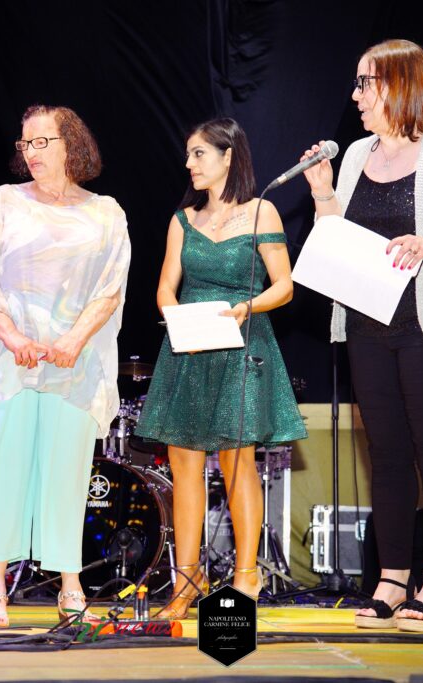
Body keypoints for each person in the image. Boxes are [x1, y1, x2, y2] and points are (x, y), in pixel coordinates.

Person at [302, 39, 423, 632]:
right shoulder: (358, 152)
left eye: (366, 83)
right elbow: (339, 236)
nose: (356, 96)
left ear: (399, 85)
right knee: (385, 454)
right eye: (358, 83)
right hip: (368, 321)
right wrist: (321, 190)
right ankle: (391, 579)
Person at [0, 104, 131, 628]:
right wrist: (14, 339)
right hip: (10, 362)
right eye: (24, 144)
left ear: (69, 145)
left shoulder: (105, 212)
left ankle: (70, 582)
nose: (30, 153)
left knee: (66, 474)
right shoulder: (3, 203)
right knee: (1, 469)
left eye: (41, 142)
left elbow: (110, 288)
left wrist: (75, 341)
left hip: (74, 366)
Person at [135, 118, 307, 619]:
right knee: (184, 465)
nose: (189, 164)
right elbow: (166, 285)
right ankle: (185, 584)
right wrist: (173, 313)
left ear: (228, 156)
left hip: (240, 346)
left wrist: (245, 308)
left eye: (198, 154)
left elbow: (285, 285)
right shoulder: (182, 220)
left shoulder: (261, 211)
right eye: (187, 156)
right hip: (189, 349)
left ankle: (245, 578)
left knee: (237, 466)